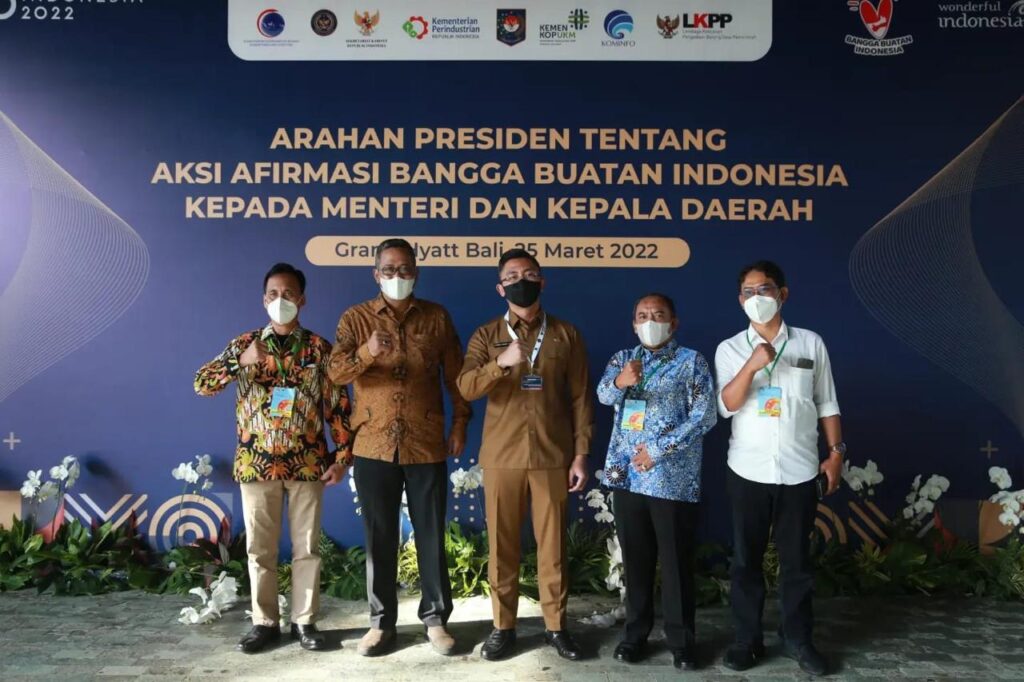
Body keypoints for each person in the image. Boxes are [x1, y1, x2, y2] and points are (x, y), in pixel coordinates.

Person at [194, 262, 353, 654]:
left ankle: (305, 621)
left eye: (288, 293)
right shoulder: (243, 344)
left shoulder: (319, 349)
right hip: (256, 462)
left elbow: (337, 406)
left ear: (303, 299)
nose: (281, 300)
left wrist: (343, 457)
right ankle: (264, 623)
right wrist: (239, 362)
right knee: (259, 550)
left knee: (307, 548)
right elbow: (202, 385)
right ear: (263, 299)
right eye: (273, 294)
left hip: (307, 462)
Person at [328, 239, 471, 657]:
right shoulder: (355, 318)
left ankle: (436, 620)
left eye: (405, 269)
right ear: (376, 274)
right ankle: (380, 624)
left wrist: (460, 422)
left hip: (426, 442)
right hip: (372, 443)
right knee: (379, 537)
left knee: (430, 534)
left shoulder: (437, 317)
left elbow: (457, 377)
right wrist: (367, 352)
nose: (397, 276)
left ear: (416, 273)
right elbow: (335, 373)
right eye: (389, 269)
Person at [457, 249, 593, 662]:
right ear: (501, 288)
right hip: (502, 457)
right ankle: (503, 627)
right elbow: (465, 387)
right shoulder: (486, 335)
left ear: (542, 281)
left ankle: (556, 627)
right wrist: (500, 363)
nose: (522, 281)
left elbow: (581, 398)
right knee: (502, 548)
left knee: (553, 547)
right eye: (512, 276)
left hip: (553, 455)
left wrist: (581, 454)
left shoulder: (566, 334)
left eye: (530, 273)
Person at [714, 260, 845, 676]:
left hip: (800, 469)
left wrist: (836, 453)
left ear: (783, 294)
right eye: (749, 292)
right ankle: (746, 640)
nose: (757, 298)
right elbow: (727, 404)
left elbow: (827, 401)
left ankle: (798, 639)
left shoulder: (810, 343)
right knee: (745, 561)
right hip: (747, 470)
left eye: (765, 289)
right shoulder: (730, 348)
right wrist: (752, 365)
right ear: (740, 300)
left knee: (797, 563)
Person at [596, 293, 717, 670]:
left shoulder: (692, 361)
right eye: (643, 316)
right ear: (634, 324)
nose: (650, 321)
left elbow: (705, 416)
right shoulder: (621, 359)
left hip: (671, 480)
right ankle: (635, 635)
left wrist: (658, 450)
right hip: (627, 477)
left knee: (676, 563)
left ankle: (681, 642)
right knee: (636, 561)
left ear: (673, 322)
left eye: (658, 314)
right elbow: (603, 396)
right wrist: (621, 381)